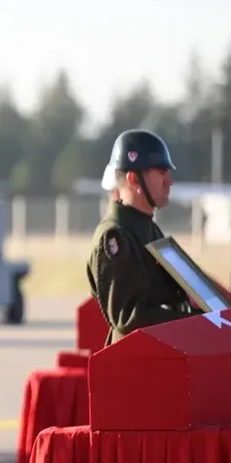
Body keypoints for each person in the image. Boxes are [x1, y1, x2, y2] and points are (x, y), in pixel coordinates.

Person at [87, 129, 195, 344]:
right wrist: (195, 323)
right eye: (162, 172)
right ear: (134, 180)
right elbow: (130, 318)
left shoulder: (147, 229)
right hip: (135, 366)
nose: (169, 181)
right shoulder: (115, 236)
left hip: (162, 357)